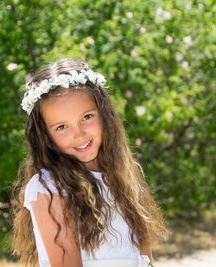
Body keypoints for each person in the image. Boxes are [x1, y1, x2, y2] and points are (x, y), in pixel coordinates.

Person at [11, 58, 168, 267]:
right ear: (45, 136)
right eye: (62, 127)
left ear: (104, 114)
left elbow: (144, 258)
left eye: (86, 117)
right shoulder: (49, 188)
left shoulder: (122, 177)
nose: (79, 134)